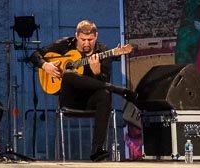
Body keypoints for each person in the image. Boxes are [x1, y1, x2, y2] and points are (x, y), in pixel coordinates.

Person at [30, 20, 128, 162]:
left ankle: (97, 150)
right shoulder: (66, 44)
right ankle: (115, 88)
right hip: (70, 99)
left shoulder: (103, 51)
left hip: (90, 100)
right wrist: (45, 65)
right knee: (68, 75)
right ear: (76, 36)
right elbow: (34, 55)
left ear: (96, 36)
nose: (86, 43)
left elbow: (104, 80)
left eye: (90, 40)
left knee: (105, 94)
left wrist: (97, 73)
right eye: (83, 39)